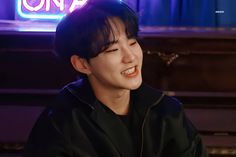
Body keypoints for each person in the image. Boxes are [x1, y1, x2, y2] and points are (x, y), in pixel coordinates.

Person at [23, 0, 208, 157]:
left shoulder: (167, 112)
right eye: (113, 49)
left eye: (132, 42)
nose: (131, 57)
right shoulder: (61, 123)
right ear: (82, 64)